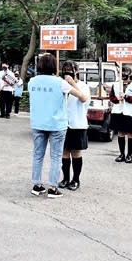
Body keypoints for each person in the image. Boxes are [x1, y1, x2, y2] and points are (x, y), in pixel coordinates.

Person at [28, 53, 88, 198]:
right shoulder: (60, 83)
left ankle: (37, 185)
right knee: (55, 157)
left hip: (38, 123)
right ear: (54, 66)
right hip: (56, 125)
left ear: (40, 66)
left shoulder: (32, 81)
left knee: (37, 155)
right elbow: (82, 97)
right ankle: (53, 188)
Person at [59, 61, 90, 191]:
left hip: (78, 123)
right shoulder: (60, 85)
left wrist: (72, 83)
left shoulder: (83, 86)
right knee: (64, 152)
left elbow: (84, 99)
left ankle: (76, 179)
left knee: (76, 152)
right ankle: (65, 178)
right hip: (62, 124)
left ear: (76, 71)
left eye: (70, 70)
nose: (67, 72)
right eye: (64, 70)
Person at [109, 66, 132, 163]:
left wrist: (126, 97)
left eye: (126, 78)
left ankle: (129, 155)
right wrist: (117, 99)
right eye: (122, 78)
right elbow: (111, 97)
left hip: (131, 113)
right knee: (120, 133)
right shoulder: (115, 84)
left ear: (130, 76)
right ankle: (122, 154)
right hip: (118, 112)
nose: (124, 81)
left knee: (130, 134)